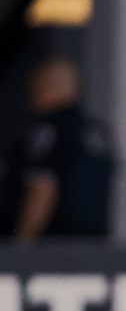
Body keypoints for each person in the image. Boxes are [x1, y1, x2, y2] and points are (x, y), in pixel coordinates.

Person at [13, 56, 111, 239]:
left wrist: (23, 241)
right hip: (95, 244)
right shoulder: (98, 131)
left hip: (50, 247)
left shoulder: (48, 129)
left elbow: (42, 187)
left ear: (48, 86)